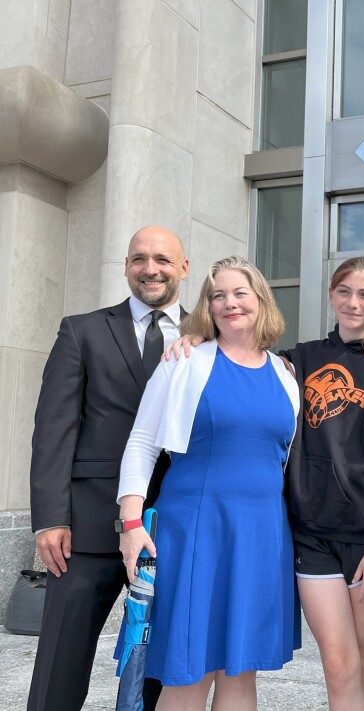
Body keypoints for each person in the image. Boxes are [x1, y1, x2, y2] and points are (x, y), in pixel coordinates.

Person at [117, 256, 300, 711]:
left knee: (241, 672)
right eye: (218, 295)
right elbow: (142, 442)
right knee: (188, 671)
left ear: (261, 300)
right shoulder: (183, 361)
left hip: (261, 533)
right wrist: (131, 521)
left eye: (240, 293)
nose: (229, 303)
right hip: (196, 529)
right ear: (207, 305)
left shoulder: (285, 373)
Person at [28, 225, 188, 711]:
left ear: (183, 268)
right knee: (61, 661)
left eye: (162, 259)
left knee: (160, 670)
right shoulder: (83, 330)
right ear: (125, 266)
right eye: (139, 258)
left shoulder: (210, 337)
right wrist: (50, 518)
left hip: (176, 525)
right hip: (88, 527)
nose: (150, 269)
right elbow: (54, 429)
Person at [279, 256, 364, 711]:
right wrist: (196, 339)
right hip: (312, 532)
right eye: (344, 291)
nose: (353, 302)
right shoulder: (302, 358)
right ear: (331, 295)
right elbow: (241, 357)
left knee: (363, 655)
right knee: (338, 663)